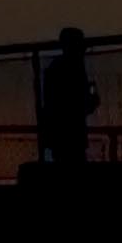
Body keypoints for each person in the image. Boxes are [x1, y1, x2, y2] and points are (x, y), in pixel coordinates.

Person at [36, 20, 100, 172]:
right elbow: (76, 105)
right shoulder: (73, 68)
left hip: (61, 134)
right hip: (71, 134)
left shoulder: (56, 67)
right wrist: (91, 101)